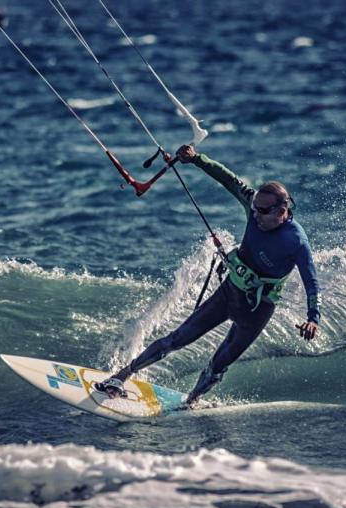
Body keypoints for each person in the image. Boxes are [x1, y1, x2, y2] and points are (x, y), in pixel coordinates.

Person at [97, 144, 320, 406]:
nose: (255, 214)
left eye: (262, 211)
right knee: (176, 339)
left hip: (257, 310)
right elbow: (227, 178)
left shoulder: (296, 242)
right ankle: (121, 377)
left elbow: (311, 281)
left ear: (282, 211)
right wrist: (197, 159)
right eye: (254, 208)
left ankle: (191, 401)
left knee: (219, 364)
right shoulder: (254, 206)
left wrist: (313, 318)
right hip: (229, 293)